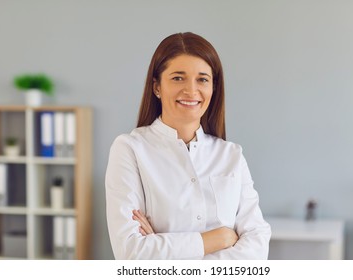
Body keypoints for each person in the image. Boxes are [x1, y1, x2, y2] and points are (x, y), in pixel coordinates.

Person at [105, 32, 271, 259]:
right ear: (156, 87)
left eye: (202, 79)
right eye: (178, 78)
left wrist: (162, 250)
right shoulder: (130, 149)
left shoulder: (231, 155)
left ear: (213, 88)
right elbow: (131, 254)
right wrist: (219, 238)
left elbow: (257, 249)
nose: (191, 91)